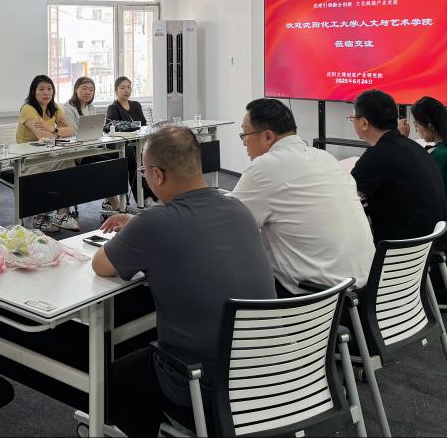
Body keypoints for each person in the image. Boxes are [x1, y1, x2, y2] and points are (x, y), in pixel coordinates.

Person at [93, 127, 276, 437]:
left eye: (144, 173)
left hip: (203, 383)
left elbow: (102, 265)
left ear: (157, 175)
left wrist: (137, 230)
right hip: (265, 371)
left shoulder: (154, 223)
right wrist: (140, 226)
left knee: (111, 381)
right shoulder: (238, 208)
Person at [230, 98, 374, 293]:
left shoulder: (263, 168)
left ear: (268, 137)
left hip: (316, 296)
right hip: (365, 285)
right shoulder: (325, 157)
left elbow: (229, 226)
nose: (244, 142)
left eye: (245, 135)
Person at [350, 90, 447, 242]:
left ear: (364, 123)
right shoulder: (414, 147)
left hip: (399, 248)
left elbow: (345, 195)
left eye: (352, 118)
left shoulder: (378, 154)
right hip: (427, 244)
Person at [16, 74, 79, 232]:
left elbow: (70, 131)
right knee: (50, 172)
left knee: (68, 162)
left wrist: (51, 129)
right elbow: (41, 136)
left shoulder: (54, 108)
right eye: (41, 89)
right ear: (33, 91)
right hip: (27, 159)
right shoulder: (28, 109)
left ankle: (62, 215)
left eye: (49, 89)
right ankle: (39, 217)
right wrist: (55, 133)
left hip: (48, 154)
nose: (46, 92)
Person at [105, 76, 156, 207]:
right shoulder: (113, 108)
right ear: (116, 90)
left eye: (128, 87)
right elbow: (111, 128)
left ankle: (153, 196)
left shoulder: (136, 105)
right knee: (135, 158)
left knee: (151, 156)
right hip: (123, 146)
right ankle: (144, 199)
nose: (126, 90)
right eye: (122, 88)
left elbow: (144, 125)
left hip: (139, 143)